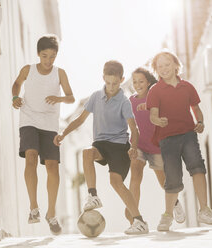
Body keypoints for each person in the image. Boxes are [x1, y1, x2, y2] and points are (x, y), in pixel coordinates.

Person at [54, 60, 149, 235]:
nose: (111, 87)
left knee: (116, 182)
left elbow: (134, 129)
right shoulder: (96, 97)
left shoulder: (124, 102)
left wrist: (133, 147)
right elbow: (80, 120)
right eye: (108, 82)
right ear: (103, 78)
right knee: (87, 153)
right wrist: (63, 134)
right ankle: (93, 195)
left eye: (115, 83)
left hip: (119, 147)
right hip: (101, 144)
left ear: (121, 80)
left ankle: (139, 221)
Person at [146, 51, 212, 231]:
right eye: (160, 66)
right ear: (156, 70)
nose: (164, 69)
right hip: (167, 139)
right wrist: (159, 121)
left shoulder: (187, 87)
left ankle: (204, 210)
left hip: (188, 134)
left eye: (167, 64)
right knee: (173, 177)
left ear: (175, 64)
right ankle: (168, 216)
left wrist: (200, 122)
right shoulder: (155, 90)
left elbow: (196, 109)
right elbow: (153, 116)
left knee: (198, 167)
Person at [11, 35, 75, 235]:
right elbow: (16, 85)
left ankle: (51, 213)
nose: (48, 60)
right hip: (29, 119)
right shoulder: (28, 70)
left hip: (49, 123)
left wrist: (59, 98)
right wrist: (15, 97)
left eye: (52, 56)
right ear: (38, 54)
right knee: (30, 156)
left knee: (52, 167)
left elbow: (71, 97)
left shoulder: (60, 73)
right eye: (45, 56)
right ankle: (33, 208)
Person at [125, 67, 186, 228]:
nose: (137, 84)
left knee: (163, 181)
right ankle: (134, 217)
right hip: (138, 144)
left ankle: (175, 203)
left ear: (148, 82)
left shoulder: (157, 98)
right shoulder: (130, 101)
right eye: (135, 82)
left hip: (156, 146)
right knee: (135, 175)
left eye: (141, 81)